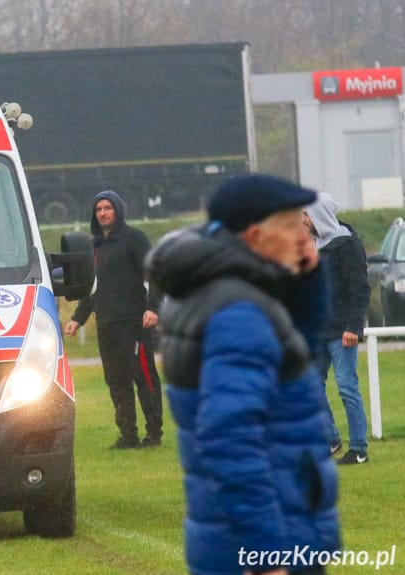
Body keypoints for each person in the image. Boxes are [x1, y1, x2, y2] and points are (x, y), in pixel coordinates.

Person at [145, 174, 340, 575]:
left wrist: (307, 281)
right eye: (292, 225)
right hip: (264, 539)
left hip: (268, 523)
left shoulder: (224, 289)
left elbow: (296, 356)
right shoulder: (239, 313)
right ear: (255, 236)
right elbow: (230, 440)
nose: (304, 234)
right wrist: (265, 554)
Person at [64, 190, 163, 449]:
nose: (103, 213)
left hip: (134, 324)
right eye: (99, 209)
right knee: (116, 382)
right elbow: (92, 288)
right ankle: (128, 435)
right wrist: (78, 318)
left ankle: (154, 434)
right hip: (106, 326)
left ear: (118, 210)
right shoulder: (93, 246)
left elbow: (155, 274)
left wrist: (153, 308)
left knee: (144, 378)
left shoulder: (134, 239)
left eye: (108, 208)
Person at [303, 193, 370, 465]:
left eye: (305, 215)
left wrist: (353, 326)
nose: (302, 220)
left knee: (346, 387)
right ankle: (330, 440)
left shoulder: (346, 244)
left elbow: (360, 288)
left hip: (343, 331)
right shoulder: (312, 246)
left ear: (317, 215)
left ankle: (359, 448)